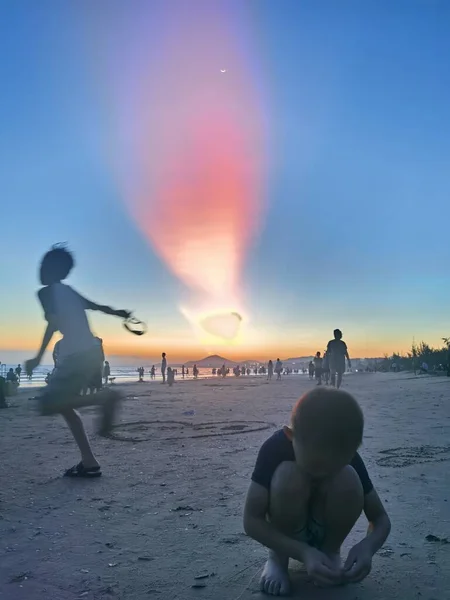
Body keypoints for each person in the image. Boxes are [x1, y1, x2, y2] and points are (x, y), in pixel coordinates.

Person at [243, 388, 391, 596]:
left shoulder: (347, 455)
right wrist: (302, 552)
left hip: (326, 531)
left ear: (351, 450)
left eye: (334, 466)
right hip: (286, 532)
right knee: (288, 475)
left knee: (348, 477)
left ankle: (329, 553)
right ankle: (277, 559)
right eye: (315, 465)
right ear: (290, 436)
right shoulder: (274, 450)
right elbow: (251, 520)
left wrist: (368, 547)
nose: (322, 474)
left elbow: (380, 518)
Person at [24, 245, 130, 478]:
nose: (40, 269)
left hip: (76, 355)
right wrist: (120, 313)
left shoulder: (45, 293)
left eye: (44, 265)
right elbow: (97, 306)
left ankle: (105, 397)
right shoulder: (69, 291)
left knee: (48, 404)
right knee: (66, 407)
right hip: (92, 352)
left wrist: (37, 357)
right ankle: (89, 461)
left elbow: (53, 323)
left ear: (54, 270)